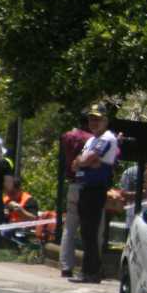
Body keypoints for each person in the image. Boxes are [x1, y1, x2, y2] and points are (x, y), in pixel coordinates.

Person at [70, 104, 118, 284]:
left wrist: (85, 162)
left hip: (96, 188)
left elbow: (90, 159)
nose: (93, 122)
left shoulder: (107, 138)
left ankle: (91, 272)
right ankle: (89, 270)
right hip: (85, 186)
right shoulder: (91, 140)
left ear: (105, 121)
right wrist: (84, 162)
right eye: (91, 119)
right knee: (85, 231)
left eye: (97, 119)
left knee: (90, 231)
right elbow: (75, 163)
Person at [58, 113, 93, 278]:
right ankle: (89, 266)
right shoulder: (92, 139)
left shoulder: (67, 136)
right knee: (91, 228)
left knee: (69, 228)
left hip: (72, 183)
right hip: (88, 185)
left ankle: (66, 266)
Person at [2, 176, 40, 248]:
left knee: (5, 232)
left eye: (13, 193)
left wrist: (21, 211)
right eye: (8, 193)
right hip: (9, 227)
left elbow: (34, 218)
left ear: (19, 189)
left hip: (23, 229)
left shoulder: (29, 200)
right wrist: (4, 214)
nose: (10, 196)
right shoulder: (5, 200)